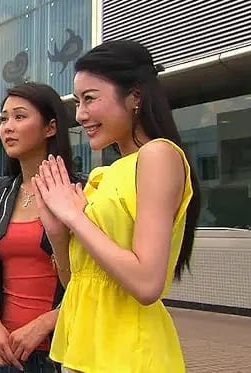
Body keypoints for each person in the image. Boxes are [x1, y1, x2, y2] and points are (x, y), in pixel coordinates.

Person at [32, 40, 201, 373]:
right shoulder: (103, 176)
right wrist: (57, 231)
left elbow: (146, 284)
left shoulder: (158, 156)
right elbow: (77, 281)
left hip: (130, 354)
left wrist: (75, 218)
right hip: (85, 350)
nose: (80, 115)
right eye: (77, 102)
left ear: (134, 96)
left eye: (90, 98)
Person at [0, 83, 78, 373]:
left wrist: (46, 322)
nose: (8, 127)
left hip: (59, 352)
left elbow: (92, 280)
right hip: (4, 351)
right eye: (4, 118)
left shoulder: (78, 191)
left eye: (20, 117)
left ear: (50, 128)